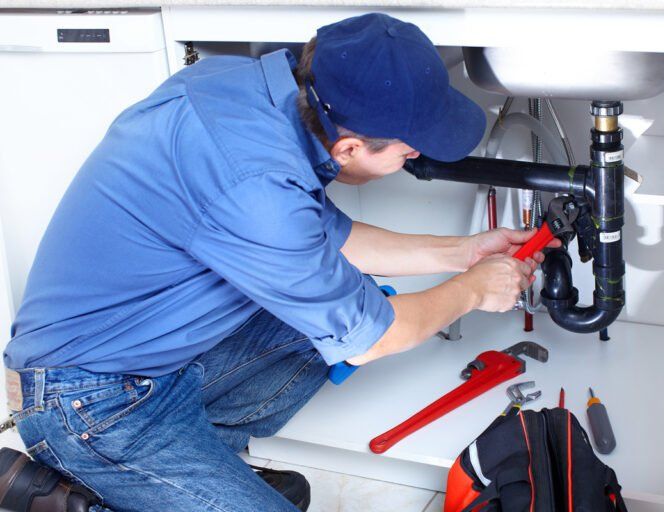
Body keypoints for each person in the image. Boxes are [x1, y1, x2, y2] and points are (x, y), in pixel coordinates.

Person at [2, 12, 555, 512]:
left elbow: (323, 241)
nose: (414, 157)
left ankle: (182, 476)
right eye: (408, 151)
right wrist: (474, 291)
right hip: (89, 401)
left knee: (338, 316)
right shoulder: (257, 188)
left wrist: (464, 252)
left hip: (152, 353)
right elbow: (371, 341)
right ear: (350, 149)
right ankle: (94, 496)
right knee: (355, 328)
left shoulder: (245, 87)